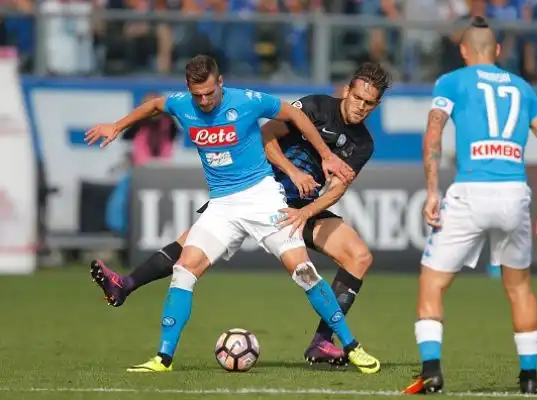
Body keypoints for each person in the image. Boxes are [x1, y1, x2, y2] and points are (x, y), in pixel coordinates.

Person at [85, 55, 381, 374]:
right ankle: (161, 357)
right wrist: (116, 125)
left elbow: (324, 167)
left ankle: (347, 345)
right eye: (197, 94)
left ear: (221, 83)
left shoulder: (248, 102)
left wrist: (320, 167)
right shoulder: (184, 104)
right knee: (185, 266)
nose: (204, 100)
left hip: (269, 201)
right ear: (346, 91)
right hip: (227, 202)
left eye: (209, 93)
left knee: (314, 269)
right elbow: (157, 106)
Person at [402, 17, 537, 395]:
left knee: (433, 282)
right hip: (515, 193)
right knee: (519, 287)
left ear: (463, 50)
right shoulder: (523, 88)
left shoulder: (451, 81)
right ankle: (529, 379)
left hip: (471, 191)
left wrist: (431, 190)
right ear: (498, 52)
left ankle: (431, 373)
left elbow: (434, 135)